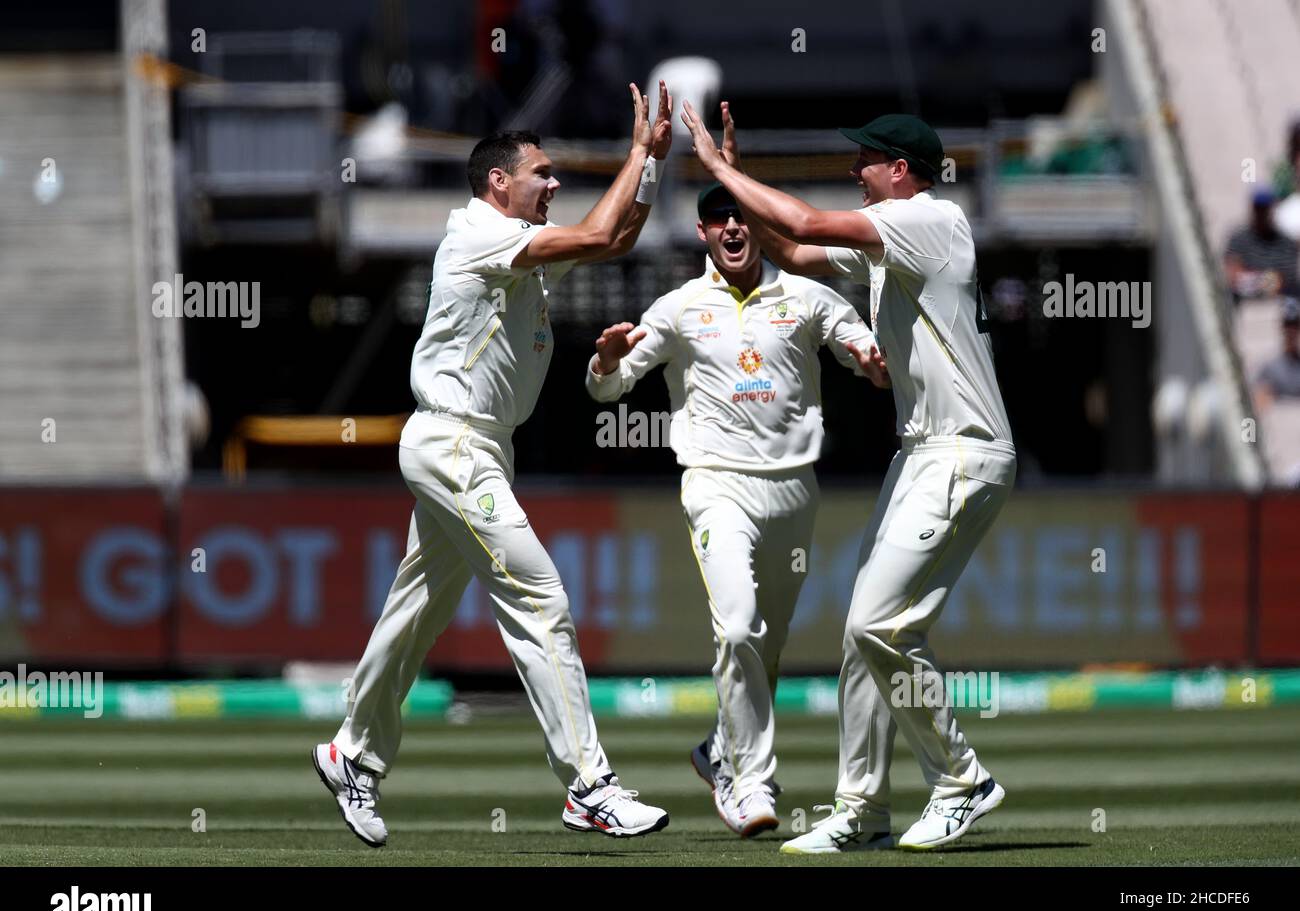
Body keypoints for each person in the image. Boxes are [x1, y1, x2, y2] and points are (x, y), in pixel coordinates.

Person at [313, 82, 675, 846]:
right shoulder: (480, 235)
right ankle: (589, 786)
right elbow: (604, 238)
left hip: (478, 448)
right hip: (452, 443)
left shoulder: (522, 255)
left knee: (416, 610)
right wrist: (638, 150)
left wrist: (650, 168)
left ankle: (353, 753)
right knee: (540, 599)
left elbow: (620, 234)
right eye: (541, 173)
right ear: (497, 183)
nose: (554, 183)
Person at [681, 102, 1016, 853]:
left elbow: (801, 224)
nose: (855, 172)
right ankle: (862, 808)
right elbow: (793, 254)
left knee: (878, 625)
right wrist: (740, 196)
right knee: (861, 634)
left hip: (963, 450)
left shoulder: (931, 220)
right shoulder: (892, 240)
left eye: (866, 161)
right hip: (922, 452)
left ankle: (962, 779)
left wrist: (719, 169)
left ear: (902, 170)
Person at [585, 155, 889, 837]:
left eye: (741, 216)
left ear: (757, 225)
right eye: (717, 219)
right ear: (702, 234)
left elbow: (857, 345)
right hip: (716, 486)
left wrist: (871, 359)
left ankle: (720, 746)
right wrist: (604, 362)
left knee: (766, 647)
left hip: (793, 492)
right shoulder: (680, 308)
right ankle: (749, 782)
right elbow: (608, 387)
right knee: (738, 624)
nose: (730, 227)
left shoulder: (805, 297)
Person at [1224, 188, 1299, 300]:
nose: (1263, 214)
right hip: (1245, 303)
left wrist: (1255, 279)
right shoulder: (1238, 239)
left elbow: (1286, 279)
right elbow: (1234, 277)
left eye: (1266, 209)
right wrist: (1267, 279)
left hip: (1278, 302)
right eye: (1259, 209)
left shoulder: (1285, 242)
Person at [1254, 298, 1300, 410]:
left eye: (1295, 326)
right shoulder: (1270, 367)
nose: (1291, 331)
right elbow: (1259, 402)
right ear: (1281, 328)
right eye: (1287, 325)